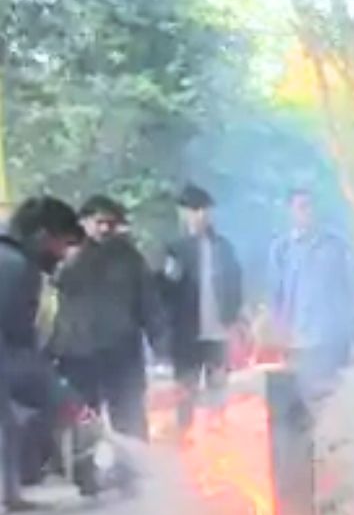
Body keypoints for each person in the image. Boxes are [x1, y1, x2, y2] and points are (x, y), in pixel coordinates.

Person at [0, 197, 98, 504]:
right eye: (63, 244)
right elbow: (16, 342)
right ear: (43, 236)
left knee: (11, 424)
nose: (63, 255)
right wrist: (57, 392)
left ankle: (11, 495)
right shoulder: (15, 268)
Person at [49, 196, 166, 440]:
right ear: (83, 222)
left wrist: (162, 347)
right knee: (83, 424)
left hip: (122, 354)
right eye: (99, 222)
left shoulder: (129, 258)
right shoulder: (66, 255)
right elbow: (56, 283)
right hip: (77, 355)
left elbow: (150, 305)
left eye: (111, 223)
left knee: (130, 421)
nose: (105, 229)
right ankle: (86, 474)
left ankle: (137, 474)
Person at [161, 185, 243, 433]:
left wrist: (234, 319)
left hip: (217, 334)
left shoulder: (224, 248)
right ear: (184, 214)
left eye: (205, 211)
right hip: (187, 336)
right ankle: (185, 444)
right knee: (185, 394)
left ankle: (218, 444)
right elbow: (166, 292)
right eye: (194, 211)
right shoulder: (175, 250)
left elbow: (235, 285)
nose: (201, 216)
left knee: (218, 393)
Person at [268, 189, 354, 399]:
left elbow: (353, 288)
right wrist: (280, 333)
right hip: (298, 342)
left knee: (331, 399)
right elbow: (276, 297)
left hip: (331, 340)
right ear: (290, 211)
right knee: (301, 401)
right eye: (300, 207)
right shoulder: (281, 249)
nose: (306, 212)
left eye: (310, 206)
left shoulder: (336, 245)